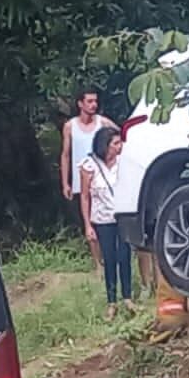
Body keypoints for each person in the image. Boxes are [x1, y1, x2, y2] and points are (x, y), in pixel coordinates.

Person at [81, 126, 134, 317]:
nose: (119, 147)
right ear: (105, 145)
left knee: (124, 256)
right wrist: (88, 225)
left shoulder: (124, 162)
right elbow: (85, 196)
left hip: (122, 215)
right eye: (115, 143)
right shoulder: (89, 165)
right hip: (102, 219)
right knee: (109, 259)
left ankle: (128, 297)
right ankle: (111, 301)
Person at [60, 89, 118, 262]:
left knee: (107, 218)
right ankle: (97, 262)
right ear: (80, 104)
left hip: (104, 177)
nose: (94, 105)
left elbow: (121, 136)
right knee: (89, 221)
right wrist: (66, 183)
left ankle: (111, 257)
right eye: (90, 101)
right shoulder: (70, 126)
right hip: (83, 178)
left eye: (95, 101)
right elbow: (65, 154)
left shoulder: (104, 123)